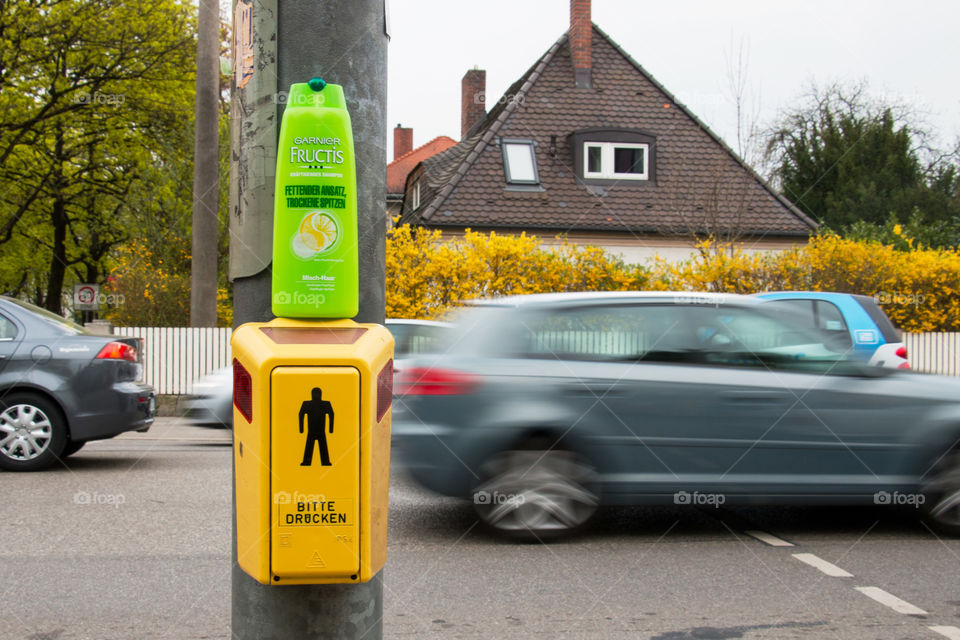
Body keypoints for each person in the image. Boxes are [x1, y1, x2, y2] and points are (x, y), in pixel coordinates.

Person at [299, 387, 334, 466]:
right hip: (314, 430)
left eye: (317, 394)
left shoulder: (323, 404)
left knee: (319, 445)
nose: (316, 396)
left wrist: (331, 429)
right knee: (313, 445)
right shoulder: (308, 404)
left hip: (318, 430)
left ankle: (322, 462)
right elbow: (301, 414)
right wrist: (301, 429)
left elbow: (331, 414)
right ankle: (310, 462)